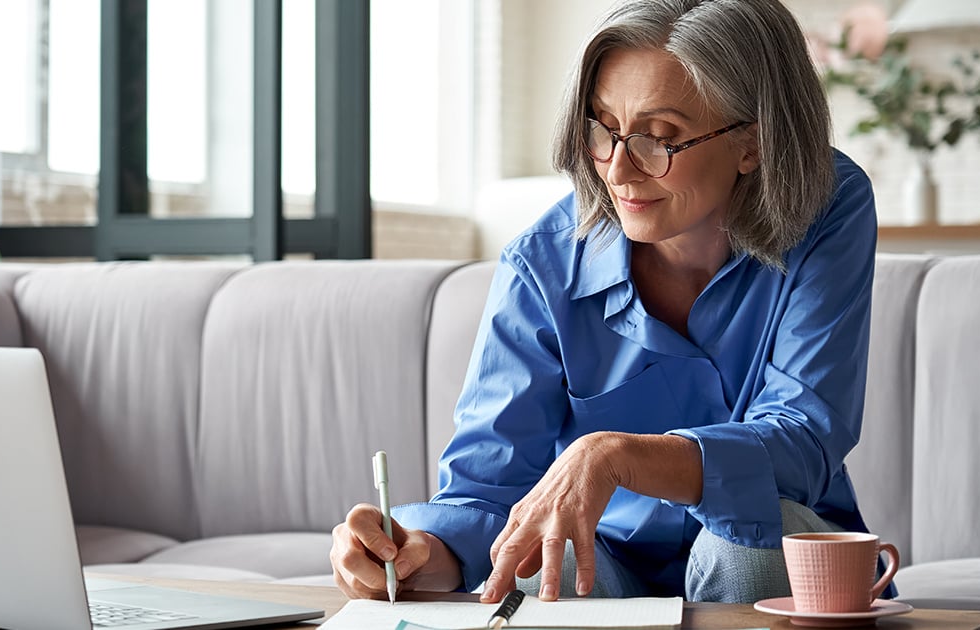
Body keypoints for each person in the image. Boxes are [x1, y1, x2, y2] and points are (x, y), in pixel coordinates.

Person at [330, 0, 883, 605]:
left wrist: (617, 455)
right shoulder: (541, 263)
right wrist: (414, 556)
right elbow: (487, 494)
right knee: (537, 559)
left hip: (772, 546)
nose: (617, 169)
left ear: (751, 144)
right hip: (609, 560)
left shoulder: (828, 207)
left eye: (659, 138)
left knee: (743, 536)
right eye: (600, 128)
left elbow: (804, 440)